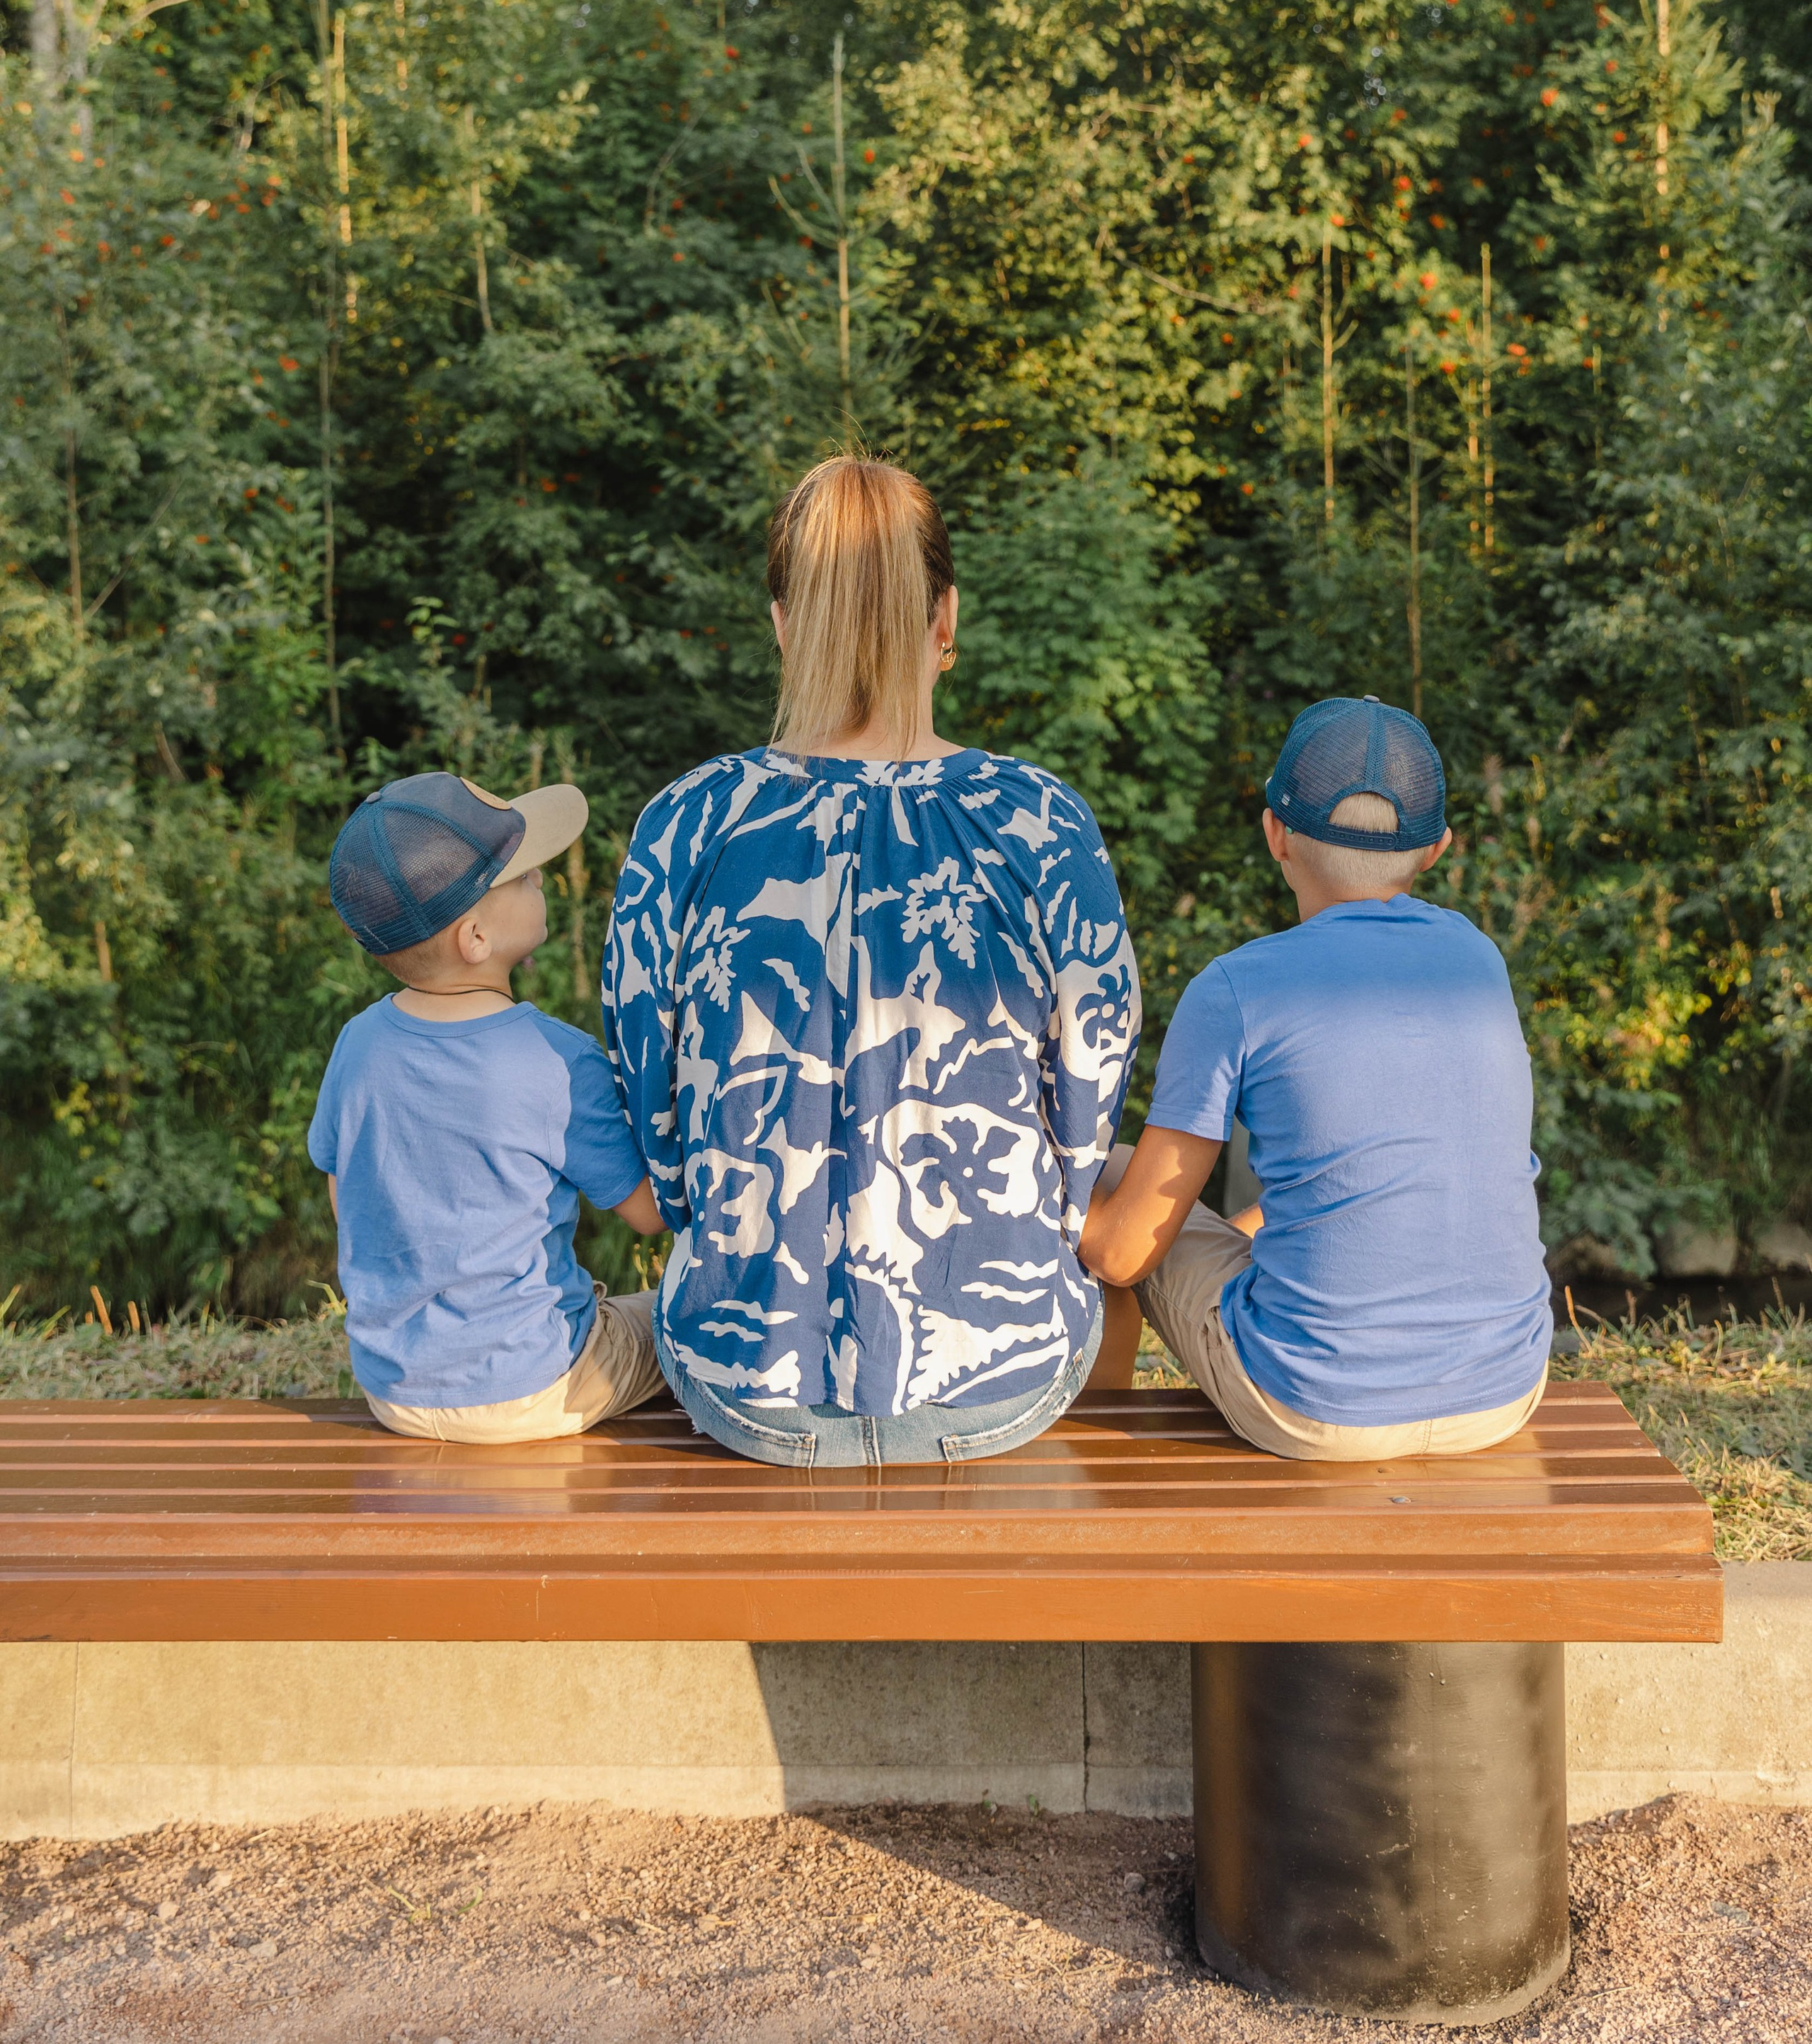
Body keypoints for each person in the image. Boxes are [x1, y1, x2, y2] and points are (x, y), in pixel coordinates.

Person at [602, 453, 1142, 1468]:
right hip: (1002, 1380)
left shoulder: (687, 822)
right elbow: (1087, 1098)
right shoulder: (1038, 822)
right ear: (946, 618)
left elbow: (653, 1106)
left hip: (744, 1382)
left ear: (781, 623)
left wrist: (704, 1218)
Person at [1080, 695, 1552, 1459]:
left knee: (1110, 1177)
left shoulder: (1236, 987)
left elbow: (1124, 1254)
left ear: (1275, 833)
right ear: (1435, 849)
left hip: (1311, 1407)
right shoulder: (1477, 961)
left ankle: (1081, 1463)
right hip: (1503, 1391)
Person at [311, 772, 667, 1441]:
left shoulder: (357, 1046)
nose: (543, 881)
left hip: (396, 1391)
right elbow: (648, 1214)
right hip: (535, 1386)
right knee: (678, 1316)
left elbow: (344, 1192)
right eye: (525, 875)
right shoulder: (557, 1057)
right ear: (475, 937)